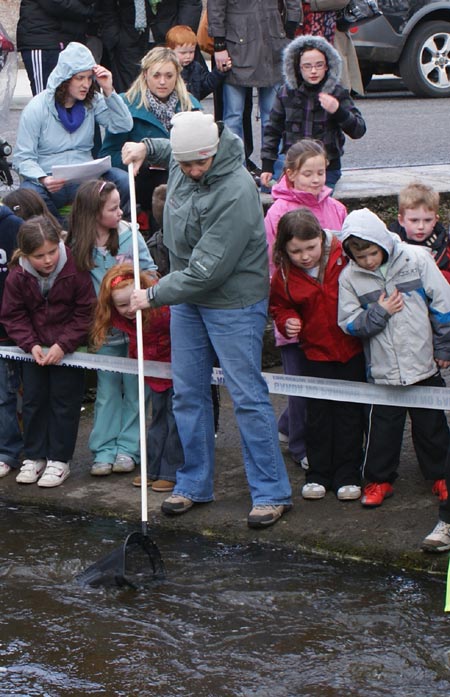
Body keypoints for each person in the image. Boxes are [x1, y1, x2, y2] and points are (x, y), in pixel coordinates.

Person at [122, 110, 292, 528]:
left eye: (201, 162)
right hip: (188, 298)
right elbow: (168, 147)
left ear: (215, 151)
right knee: (187, 392)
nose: (193, 170)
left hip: (231, 300)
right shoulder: (183, 159)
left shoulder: (236, 190)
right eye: (186, 164)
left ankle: (271, 492)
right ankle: (193, 482)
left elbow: (207, 271)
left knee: (247, 396)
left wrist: (153, 295)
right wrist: (144, 148)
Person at [338, 208, 450, 511]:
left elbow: (443, 303)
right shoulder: (349, 277)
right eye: (360, 257)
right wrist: (381, 312)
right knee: (383, 428)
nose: (368, 262)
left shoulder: (416, 258)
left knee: (432, 424)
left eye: (372, 254)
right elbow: (348, 322)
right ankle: (378, 479)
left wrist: (444, 348)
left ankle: (442, 476)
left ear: (382, 244)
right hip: (384, 368)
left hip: (423, 361)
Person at [269, 207, 364, 501]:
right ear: (284, 248)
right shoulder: (284, 274)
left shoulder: (344, 255)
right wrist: (287, 322)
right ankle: (319, 473)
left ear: (322, 238)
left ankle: (348, 473)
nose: (305, 256)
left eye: (311, 247)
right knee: (318, 416)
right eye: (296, 250)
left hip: (352, 348)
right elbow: (279, 305)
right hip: (315, 352)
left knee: (350, 414)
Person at [265, 139, 347, 468]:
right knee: (300, 385)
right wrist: (284, 316)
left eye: (322, 172)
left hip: (331, 314)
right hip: (296, 315)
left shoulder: (335, 207)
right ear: (291, 175)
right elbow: (274, 266)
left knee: (327, 383)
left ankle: (287, 427)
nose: (317, 180)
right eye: (309, 173)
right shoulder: (278, 213)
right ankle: (300, 447)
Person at [67, 179, 157, 476]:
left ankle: (129, 448)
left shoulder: (131, 235)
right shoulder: (77, 246)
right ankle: (103, 448)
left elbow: (151, 272)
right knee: (107, 390)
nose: (121, 212)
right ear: (93, 213)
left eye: (120, 206)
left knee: (136, 389)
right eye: (114, 208)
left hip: (133, 328)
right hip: (102, 331)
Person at [0, 215, 96, 487]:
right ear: (26, 254)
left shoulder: (75, 268)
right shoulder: (18, 275)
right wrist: (30, 344)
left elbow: (84, 312)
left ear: (60, 244)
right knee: (32, 401)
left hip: (69, 350)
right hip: (34, 351)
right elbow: (13, 315)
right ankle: (34, 456)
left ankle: (59, 460)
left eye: (52, 251)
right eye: (39, 255)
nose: (48, 260)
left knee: (65, 402)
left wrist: (63, 345)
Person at [12, 42, 133, 224]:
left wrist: (109, 90)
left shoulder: (92, 101)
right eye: (79, 78)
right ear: (65, 78)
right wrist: (43, 178)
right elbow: (22, 158)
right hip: (50, 182)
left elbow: (123, 125)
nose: (86, 84)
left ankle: (117, 232)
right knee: (28, 194)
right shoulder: (38, 107)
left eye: (89, 78)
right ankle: (61, 234)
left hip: (85, 179)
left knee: (123, 180)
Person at [91, 263, 183, 492]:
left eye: (132, 302)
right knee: (157, 419)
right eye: (121, 305)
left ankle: (170, 471)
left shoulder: (161, 312)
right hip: (154, 373)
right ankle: (152, 469)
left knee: (175, 422)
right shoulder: (120, 317)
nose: (129, 309)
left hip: (176, 369)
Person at [100, 46, 200, 231]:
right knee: (162, 187)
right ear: (145, 74)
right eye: (156, 75)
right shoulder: (125, 105)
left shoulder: (191, 106)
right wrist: (140, 159)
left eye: (169, 76)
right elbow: (108, 155)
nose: (163, 82)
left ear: (177, 76)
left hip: (181, 176)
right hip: (140, 178)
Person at [260, 34, 366, 190]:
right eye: (307, 66)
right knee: (286, 204)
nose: (314, 71)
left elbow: (359, 130)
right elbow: (272, 130)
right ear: (298, 67)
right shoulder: (286, 93)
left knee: (314, 202)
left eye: (319, 65)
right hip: (295, 167)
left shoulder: (336, 92)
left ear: (327, 66)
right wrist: (267, 166)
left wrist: (338, 111)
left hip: (326, 169)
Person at [208, 0, 302, 145]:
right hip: (238, 42)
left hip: (271, 40)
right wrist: (219, 44)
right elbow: (216, 6)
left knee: (272, 116)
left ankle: (274, 165)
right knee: (234, 116)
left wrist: (291, 24)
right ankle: (234, 165)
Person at [98, 0, 202, 93]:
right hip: (128, 39)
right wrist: (114, 37)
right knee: (130, 96)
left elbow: (191, 3)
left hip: (170, 37)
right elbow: (107, 6)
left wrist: (181, 35)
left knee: (170, 89)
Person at [16, 0, 97, 95]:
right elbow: (59, 4)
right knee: (44, 95)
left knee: (64, 96)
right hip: (42, 42)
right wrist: (91, 11)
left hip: (62, 39)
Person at [0, 203, 24, 478]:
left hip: (16, 327)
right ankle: (7, 450)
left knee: (22, 394)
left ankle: (24, 450)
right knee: (2, 395)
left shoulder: (14, 226)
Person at [389, 182, 450, 283]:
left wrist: (435, 273)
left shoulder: (444, 245)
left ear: (435, 220)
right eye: (414, 220)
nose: (421, 227)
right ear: (401, 220)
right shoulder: (389, 246)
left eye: (427, 220)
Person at [166, 24, 228, 101]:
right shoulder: (165, 69)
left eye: (191, 52)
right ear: (170, 51)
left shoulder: (196, 67)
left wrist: (220, 70)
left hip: (192, 107)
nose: (188, 56)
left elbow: (207, 84)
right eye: (183, 53)